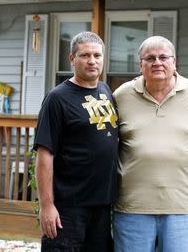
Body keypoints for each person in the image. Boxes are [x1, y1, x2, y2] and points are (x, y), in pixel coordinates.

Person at [112, 36, 188, 252]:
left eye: (163, 57)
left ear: (174, 62)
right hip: (131, 208)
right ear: (140, 65)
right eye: (150, 58)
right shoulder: (121, 96)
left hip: (183, 208)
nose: (157, 62)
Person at [33, 31, 118, 251]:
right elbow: (44, 155)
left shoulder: (106, 91)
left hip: (101, 206)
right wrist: (47, 206)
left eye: (97, 55)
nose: (92, 61)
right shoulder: (57, 98)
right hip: (68, 208)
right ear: (72, 59)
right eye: (85, 55)